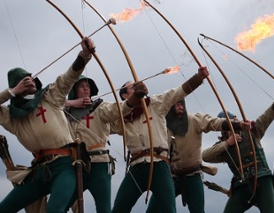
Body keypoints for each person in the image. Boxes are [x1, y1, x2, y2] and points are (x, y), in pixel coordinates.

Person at [0, 37, 96, 213]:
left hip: (65, 166)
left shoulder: (49, 97)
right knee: (3, 209)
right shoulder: (12, 117)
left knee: (54, 211)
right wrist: (12, 92)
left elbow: (68, 78)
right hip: (40, 171)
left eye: (31, 78)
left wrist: (85, 55)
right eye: (23, 81)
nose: (30, 81)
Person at [111, 66, 209, 213]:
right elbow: (103, 124)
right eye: (132, 87)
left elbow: (178, 92)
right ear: (125, 96)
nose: (137, 87)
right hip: (137, 166)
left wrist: (198, 78)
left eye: (138, 85)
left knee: (168, 210)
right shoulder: (121, 116)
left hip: (159, 165)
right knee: (119, 208)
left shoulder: (155, 103)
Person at [146, 98, 251, 213]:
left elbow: (215, 122)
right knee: (152, 210)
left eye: (182, 105)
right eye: (176, 105)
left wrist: (238, 125)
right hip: (170, 176)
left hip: (193, 175)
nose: (181, 107)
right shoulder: (162, 126)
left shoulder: (194, 119)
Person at [202, 84, 274, 213]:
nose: (233, 126)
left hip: (263, 180)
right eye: (228, 124)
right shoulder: (222, 147)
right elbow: (205, 156)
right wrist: (227, 143)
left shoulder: (252, 131)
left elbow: (268, 116)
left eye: (234, 122)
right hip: (241, 186)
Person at [64, 75, 122, 213]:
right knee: (60, 205)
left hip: (99, 163)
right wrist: (72, 103)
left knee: (104, 209)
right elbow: (50, 105)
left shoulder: (100, 107)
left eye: (88, 86)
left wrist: (133, 101)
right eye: (81, 86)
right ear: (74, 90)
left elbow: (118, 110)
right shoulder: (66, 113)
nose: (85, 88)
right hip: (75, 165)